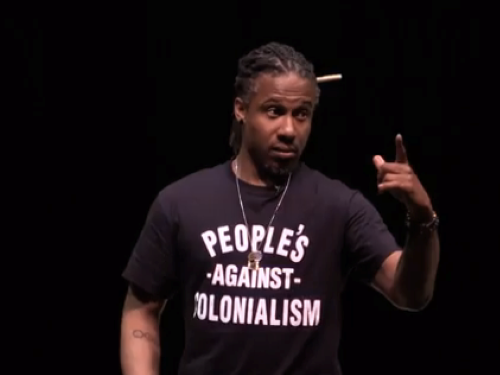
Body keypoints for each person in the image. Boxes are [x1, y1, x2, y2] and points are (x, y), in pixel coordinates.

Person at [120, 42, 440, 375]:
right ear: (241, 109)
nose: (289, 130)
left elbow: (410, 294)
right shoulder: (181, 202)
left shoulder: (339, 206)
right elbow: (141, 308)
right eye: (274, 111)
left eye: (301, 114)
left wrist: (421, 218)